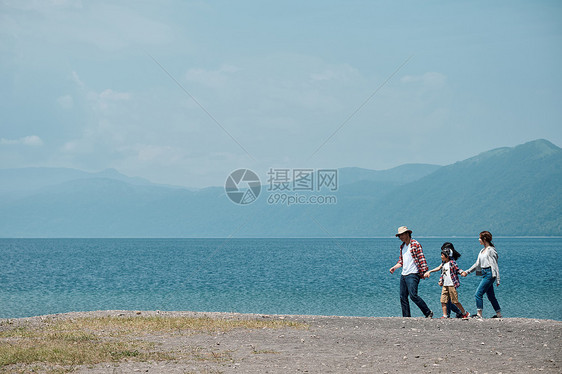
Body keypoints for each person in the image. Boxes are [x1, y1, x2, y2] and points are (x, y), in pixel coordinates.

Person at [389, 226, 433, 318]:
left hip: (413, 274)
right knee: (403, 297)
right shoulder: (402, 246)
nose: (400, 237)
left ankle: (427, 312)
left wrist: (425, 271)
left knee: (413, 295)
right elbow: (401, 261)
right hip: (404, 274)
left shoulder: (415, 244)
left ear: (407, 234)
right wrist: (395, 267)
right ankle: (406, 317)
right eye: (399, 236)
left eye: (402, 235)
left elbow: (421, 258)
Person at [461, 231, 502, 319]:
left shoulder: (491, 250)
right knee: (491, 296)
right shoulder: (482, 251)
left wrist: (497, 279)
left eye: (480, 238)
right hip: (484, 273)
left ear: (484, 239)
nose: (478, 240)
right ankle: (498, 314)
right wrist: (467, 272)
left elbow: (495, 265)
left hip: (490, 274)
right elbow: (477, 264)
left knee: (478, 294)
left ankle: (479, 314)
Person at [429, 246, 470, 319]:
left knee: (455, 301)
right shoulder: (443, 264)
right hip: (445, 285)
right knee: (443, 300)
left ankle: (465, 313)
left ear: (447, 256)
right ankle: (445, 315)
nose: (441, 256)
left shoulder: (452, 263)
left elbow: (457, 270)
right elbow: (443, 274)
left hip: (451, 285)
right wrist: (440, 281)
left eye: (442, 255)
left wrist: (462, 272)